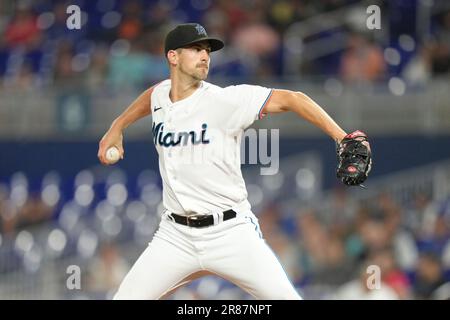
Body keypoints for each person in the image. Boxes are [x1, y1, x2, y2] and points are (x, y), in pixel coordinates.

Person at [98, 23, 368, 300]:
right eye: (196, 49)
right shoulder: (160, 96)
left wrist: (341, 136)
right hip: (175, 236)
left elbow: (293, 99)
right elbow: (152, 96)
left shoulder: (225, 100)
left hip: (230, 231)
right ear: (173, 57)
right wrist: (117, 126)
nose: (205, 55)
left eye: (207, 50)